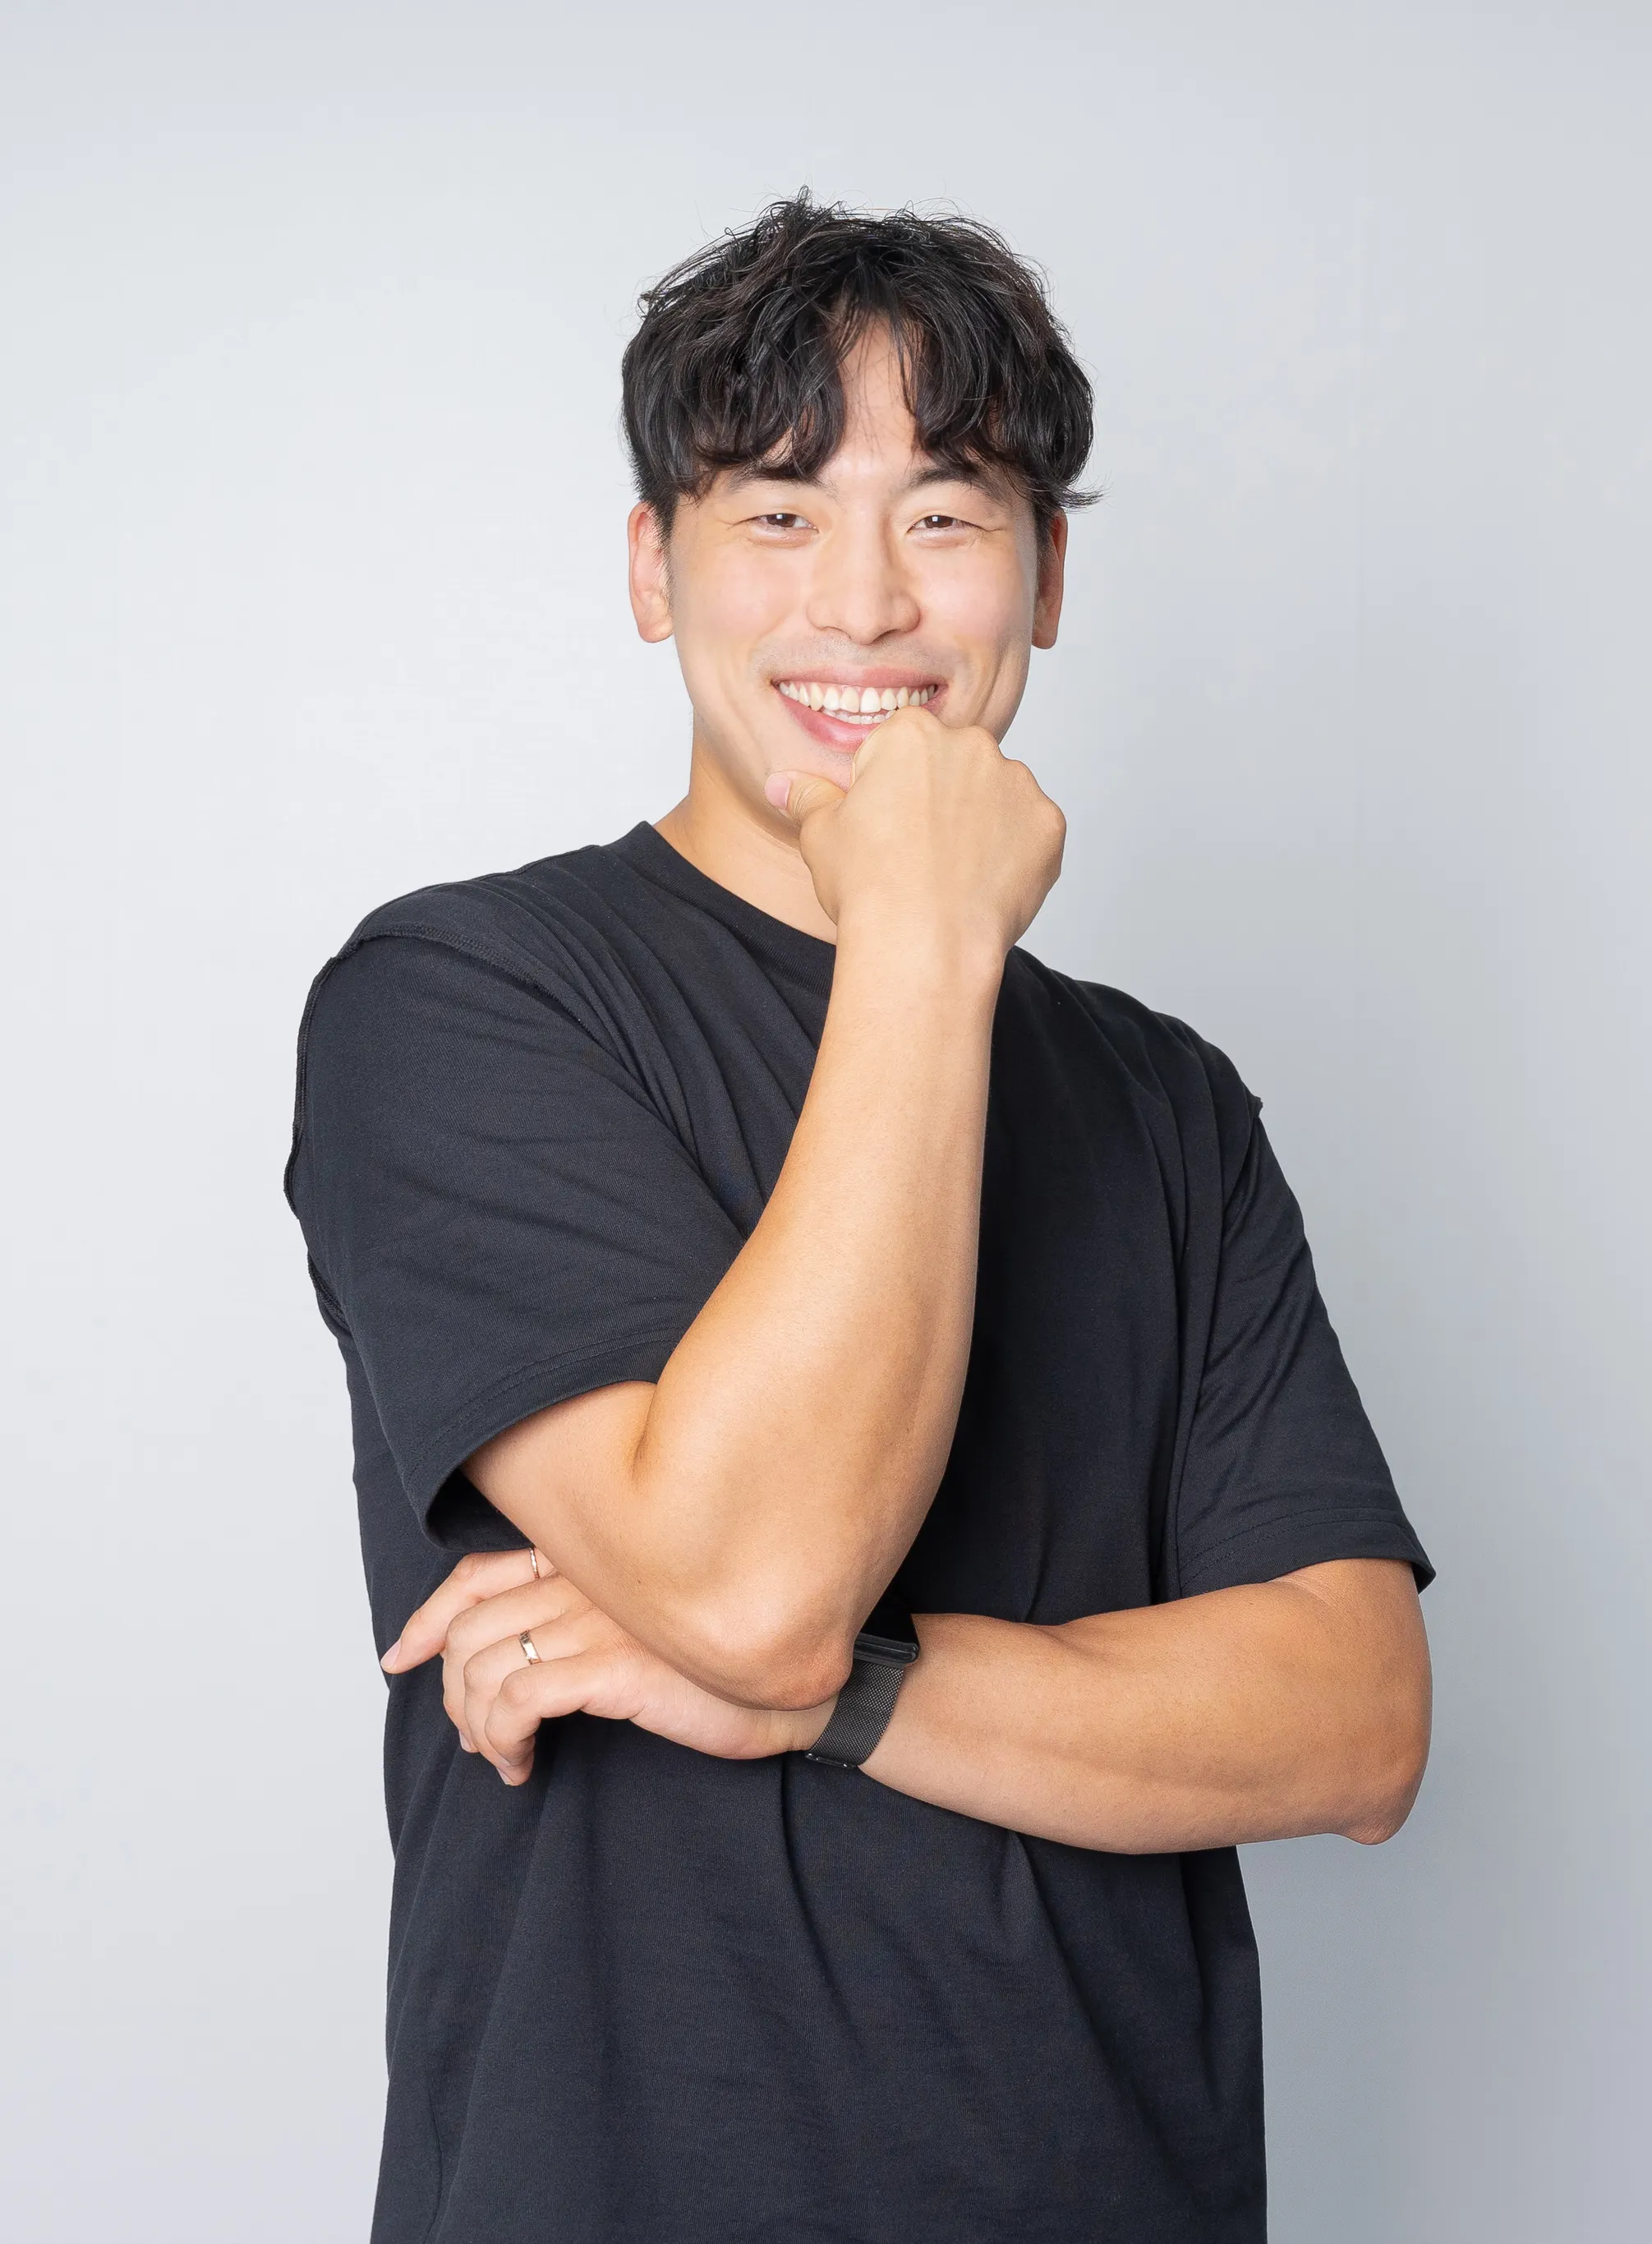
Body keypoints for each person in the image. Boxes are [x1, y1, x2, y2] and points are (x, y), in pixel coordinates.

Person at [287, 194, 1433, 2244]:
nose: (867, 602)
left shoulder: (1163, 1102)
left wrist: (839, 1696)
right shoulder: (460, 1002)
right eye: (779, 513)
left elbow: (1353, 1723)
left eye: (947, 514)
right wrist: (916, 923)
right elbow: (753, 1583)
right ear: (651, 568)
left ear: (1045, 577)